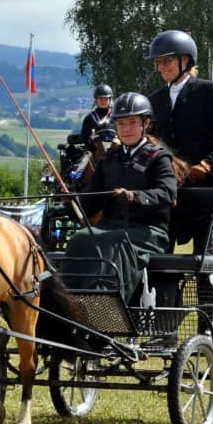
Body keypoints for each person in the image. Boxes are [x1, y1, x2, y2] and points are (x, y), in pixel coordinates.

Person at [62, 92, 177, 305]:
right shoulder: (109, 160)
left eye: (133, 122)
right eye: (122, 123)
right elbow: (92, 199)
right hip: (111, 227)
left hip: (148, 232)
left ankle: (106, 306)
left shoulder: (158, 157)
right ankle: (70, 304)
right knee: (80, 239)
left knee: (109, 241)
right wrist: (72, 202)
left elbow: (167, 193)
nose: (127, 129)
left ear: (146, 123)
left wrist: (134, 196)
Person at [146, 30, 213, 254]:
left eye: (166, 61)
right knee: (160, 257)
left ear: (185, 60)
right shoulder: (155, 99)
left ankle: (207, 288)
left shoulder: (208, 91)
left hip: (204, 186)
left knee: (204, 259)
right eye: (158, 62)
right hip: (170, 188)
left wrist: (207, 165)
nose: (161, 67)